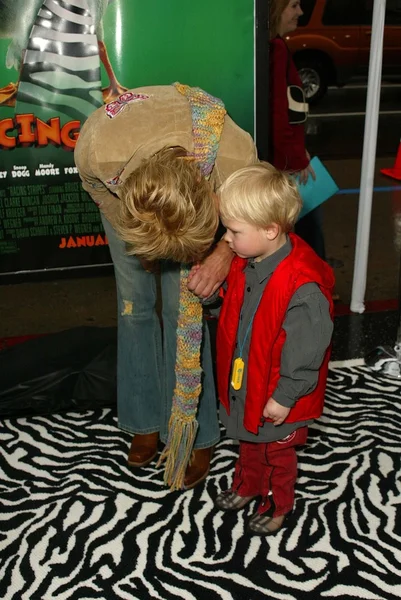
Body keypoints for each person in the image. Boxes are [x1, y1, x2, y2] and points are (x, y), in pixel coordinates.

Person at [74, 84, 258, 491]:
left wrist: (222, 253)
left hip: (202, 181)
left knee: (184, 311)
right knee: (134, 306)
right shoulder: (97, 149)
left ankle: (194, 429)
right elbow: (99, 192)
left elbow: (256, 209)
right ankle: (145, 421)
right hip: (129, 201)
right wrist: (137, 235)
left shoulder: (233, 153)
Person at [213, 162, 334, 535]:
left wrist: (285, 397)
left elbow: (307, 351)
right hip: (250, 382)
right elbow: (236, 306)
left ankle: (277, 504)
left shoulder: (302, 286)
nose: (227, 239)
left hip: (281, 394)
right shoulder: (248, 259)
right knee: (248, 441)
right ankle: (248, 485)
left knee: (276, 454)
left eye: (233, 231)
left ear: (270, 230)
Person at [269, 0, 326, 261]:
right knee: (306, 230)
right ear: (276, 9)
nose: (300, 12)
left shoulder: (271, 46)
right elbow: (279, 111)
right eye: (293, 5)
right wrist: (296, 158)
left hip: (281, 156)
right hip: (285, 162)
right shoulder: (277, 48)